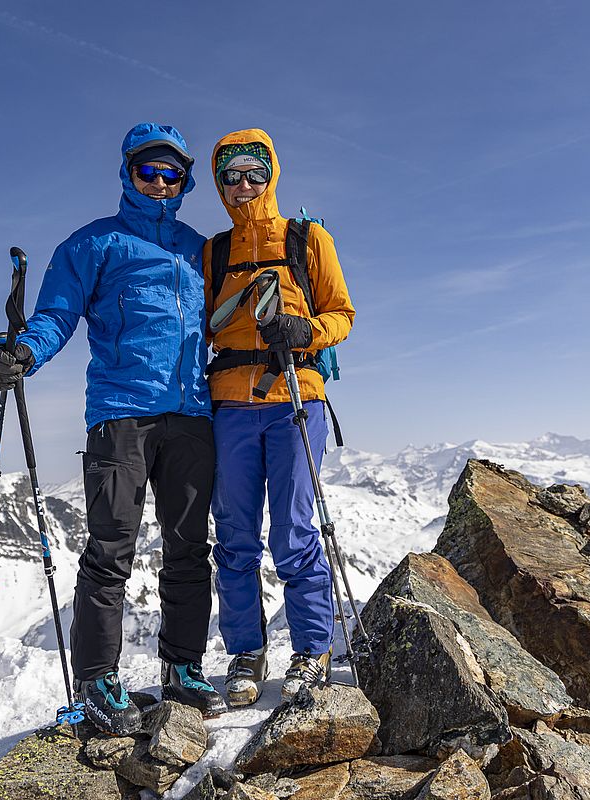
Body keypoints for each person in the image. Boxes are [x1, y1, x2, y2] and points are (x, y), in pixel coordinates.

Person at [0, 123, 224, 734]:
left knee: (188, 548)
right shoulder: (94, 243)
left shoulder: (199, 250)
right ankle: (98, 681)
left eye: (172, 173)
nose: (160, 181)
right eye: (149, 170)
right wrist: (26, 352)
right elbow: (56, 315)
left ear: (185, 181)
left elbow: (232, 320)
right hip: (121, 413)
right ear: (128, 173)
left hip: (192, 414)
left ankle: (183, 667)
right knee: (111, 548)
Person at [203, 129, 355, 706]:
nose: (243, 184)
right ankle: (246, 651)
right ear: (219, 183)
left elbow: (342, 313)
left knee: (293, 530)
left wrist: (305, 331)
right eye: (231, 175)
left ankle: (312, 650)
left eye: (254, 172)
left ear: (271, 175)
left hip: (296, 395)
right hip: (229, 403)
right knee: (234, 535)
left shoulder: (307, 238)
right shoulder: (215, 252)